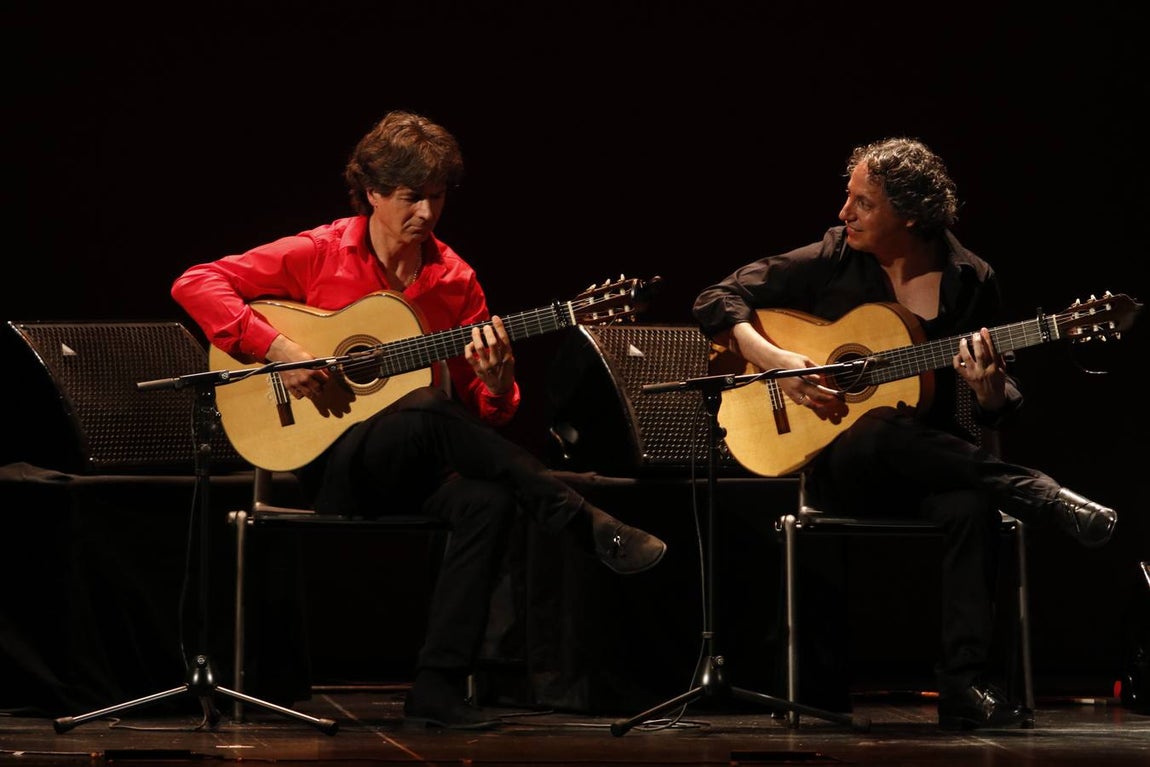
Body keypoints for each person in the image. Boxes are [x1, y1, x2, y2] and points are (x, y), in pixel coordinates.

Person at [171, 109, 667, 729]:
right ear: (372, 192)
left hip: (413, 468)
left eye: (438, 197)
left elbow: (481, 418)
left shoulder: (454, 278)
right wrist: (280, 350)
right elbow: (196, 282)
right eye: (411, 197)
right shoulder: (318, 252)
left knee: (487, 498)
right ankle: (580, 517)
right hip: (325, 464)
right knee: (427, 407)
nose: (427, 213)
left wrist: (498, 384)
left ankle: (436, 686)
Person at [692, 136, 1117, 730]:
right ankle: (1038, 492)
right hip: (842, 467)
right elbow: (715, 298)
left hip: (929, 468)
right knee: (874, 429)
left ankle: (964, 686)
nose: (844, 212)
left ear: (911, 214)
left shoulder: (971, 278)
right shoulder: (834, 254)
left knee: (971, 504)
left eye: (863, 203)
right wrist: (777, 361)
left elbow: (996, 403)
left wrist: (990, 391)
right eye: (849, 198)